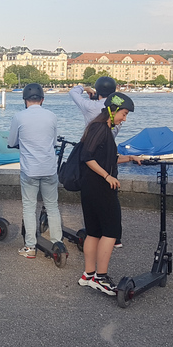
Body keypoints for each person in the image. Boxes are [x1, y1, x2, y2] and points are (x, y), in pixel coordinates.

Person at [77, 92, 140, 296]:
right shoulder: (101, 129)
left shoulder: (99, 128)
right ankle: (101, 277)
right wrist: (107, 177)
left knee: (93, 231)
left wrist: (129, 157)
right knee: (111, 232)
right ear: (112, 111)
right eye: (124, 113)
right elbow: (87, 157)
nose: (125, 118)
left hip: (90, 187)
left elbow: (106, 157)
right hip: (101, 188)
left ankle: (88, 275)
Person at [8, 83, 62, 259]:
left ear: (25, 100)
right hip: (49, 168)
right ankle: (57, 243)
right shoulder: (52, 116)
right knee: (52, 206)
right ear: (42, 100)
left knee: (29, 207)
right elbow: (54, 141)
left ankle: (30, 247)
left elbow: (11, 141)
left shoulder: (19, 117)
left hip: (30, 170)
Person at [69, 76, 124, 247]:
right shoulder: (117, 110)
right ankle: (114, 235)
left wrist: (85, 88)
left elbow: (72, 92)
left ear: (98, 91)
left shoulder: (90, 106)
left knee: (94, 198)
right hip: (109, 149)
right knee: (111, 197)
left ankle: (99, 232)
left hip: (93, 148)